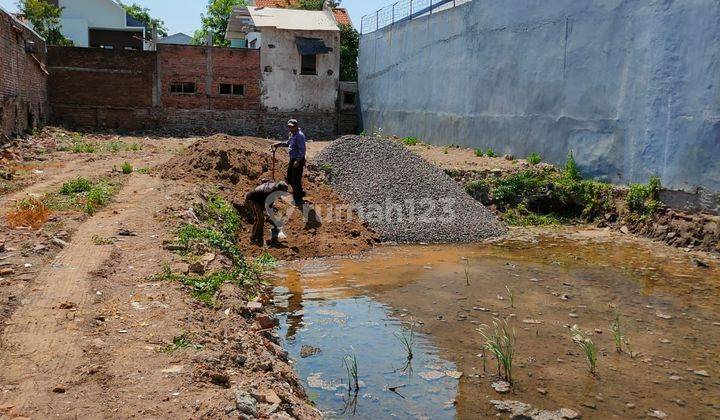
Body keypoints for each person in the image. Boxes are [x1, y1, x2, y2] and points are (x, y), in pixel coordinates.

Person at [272, 119, 306, 206]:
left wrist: (298, 161)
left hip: (298, 159)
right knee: (290, 178)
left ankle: (298, 199)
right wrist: (278, 144)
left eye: (292, 127)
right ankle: (300, 192)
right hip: (293, 159)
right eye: (289, 127)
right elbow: (288, 143)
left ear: (297, 126)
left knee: (295, 179)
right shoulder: (292, 134)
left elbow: (302, 150)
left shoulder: (300, 136)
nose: (290, 128)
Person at [245, 180, 289, 245]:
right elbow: (268, 208)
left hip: (259, 200)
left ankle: (259, 238)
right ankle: (253, 238)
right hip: (252, 200)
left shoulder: (274, 187)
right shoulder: (270, 193)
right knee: (259, 219)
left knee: (262, 219)